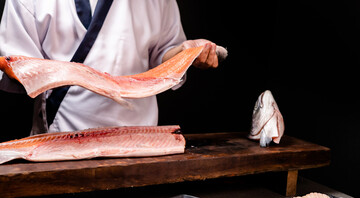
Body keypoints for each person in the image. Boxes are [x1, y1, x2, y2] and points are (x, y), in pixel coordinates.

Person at [0, 0, 219, 135]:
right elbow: (16, 65)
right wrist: (78, 75)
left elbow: (164, 52)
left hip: (141, 134)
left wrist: (186, 54)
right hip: (63, 133)